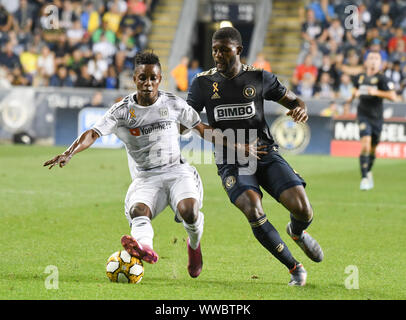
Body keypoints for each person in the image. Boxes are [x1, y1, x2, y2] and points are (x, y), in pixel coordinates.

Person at [43, 52, 258, 278]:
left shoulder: (173, 103)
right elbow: (93, 133)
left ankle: (194, 246)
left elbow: (202, 129)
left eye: (152, 78)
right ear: (134, 78)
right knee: (138, 211)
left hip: (177, 171)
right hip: (146, 177)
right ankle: (145, 248)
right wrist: (69, 152)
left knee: (190, 211)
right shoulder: (122, 111)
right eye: (142, 78)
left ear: (160, 79)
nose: (147, 83)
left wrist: (237, 145)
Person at [187, 27, 323, 286]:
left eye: (223, 50)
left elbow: (295, 102)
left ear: (238, 50)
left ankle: (297, 232)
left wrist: (300, 110)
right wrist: (236, 146)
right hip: (231, 160)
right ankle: (295, 268)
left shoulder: (260, 78)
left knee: (303, 210)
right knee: (253, 208)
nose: (217, 55)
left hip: (263, 152)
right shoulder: (202, 83)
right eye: (214, 49)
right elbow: (193, 124)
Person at [344, 51, 398, 191]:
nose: (373, 61)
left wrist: (377, 93)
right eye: (371, 58)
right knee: (365, 144)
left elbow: (393, 96)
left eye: (376, 58)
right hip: (363, 115)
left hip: (377, 118)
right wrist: (352, 96)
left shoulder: (383, 79)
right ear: (366, 62)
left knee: (373, 148)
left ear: (380, 63)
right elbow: (354, 90)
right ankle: (364, 178)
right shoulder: (360, 77)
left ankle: (368, 172)